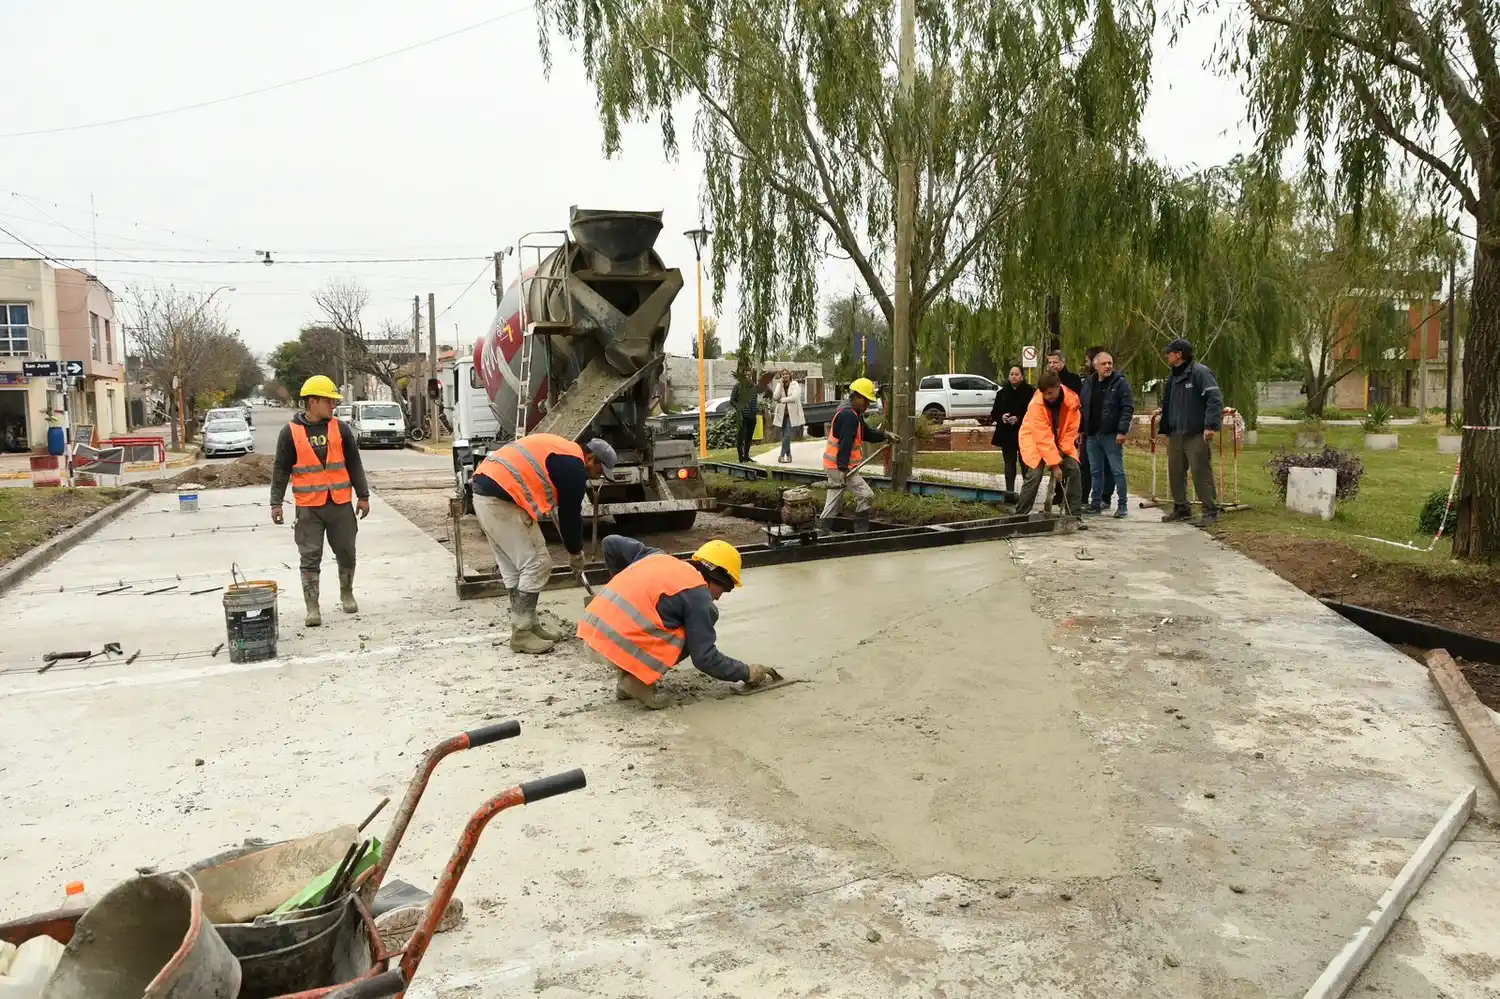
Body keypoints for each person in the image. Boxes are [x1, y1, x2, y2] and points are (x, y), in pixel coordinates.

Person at [580, 535, 775, 708]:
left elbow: (611, 543)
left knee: (665, 618)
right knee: (688, 633)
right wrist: (746, 672)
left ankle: (627, 681)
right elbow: (705, 658)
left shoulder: (658, 557)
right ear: (718, 577)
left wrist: (622, 584)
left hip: (592, 630)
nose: (718, 597)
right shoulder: (699, 598)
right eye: (724, 590)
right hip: (616, 642)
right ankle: (636, 680)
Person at [470, 432, 618, 654]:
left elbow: (557, 508)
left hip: (485, 491)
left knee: (515, 568)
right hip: (500, 497)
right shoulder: (574, 468)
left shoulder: (562, 451)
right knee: (538, 563)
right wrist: (576, 554)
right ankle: (521, 634)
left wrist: (573, 549)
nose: (597, 477)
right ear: (591, 459)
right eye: (599, 471)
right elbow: (570, 516)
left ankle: (528, 625)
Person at [270, 375, 371, 628]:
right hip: (308, 508)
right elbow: (281, 470)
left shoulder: (341, 428)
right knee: (309, 558)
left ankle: (346, 593)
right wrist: (276, 503)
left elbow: (354, 463)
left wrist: (363, 495)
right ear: (312, 402)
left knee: (347, 553)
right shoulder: (290, 433)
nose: (333, 405)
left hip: (339, 505)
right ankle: (312, 607)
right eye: (329, 400)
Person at [1158, 337, 1224, 527]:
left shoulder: (1200, 372)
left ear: (1179, 355)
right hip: (1176, 433)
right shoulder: (1173, 376)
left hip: (1195, 433)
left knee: (1200, 472)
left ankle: (1211, 510)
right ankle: (1182, 508)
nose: (1167, 356)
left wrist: (1210, 426)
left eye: (1169, 353)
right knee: (1175, 472)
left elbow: (1214, 399)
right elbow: (1171, 402)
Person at [819, 377, 898, 534]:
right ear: (857, 397)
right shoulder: (849, 416)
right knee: (866, 495)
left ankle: (821, 531)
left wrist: (885, 434)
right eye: (866, 401)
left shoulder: (853, 412)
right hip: (841, 467)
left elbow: (866, 433)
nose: (868, 404)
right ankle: (861, 532)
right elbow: (845, 444)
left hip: (834, 465)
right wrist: (842, 469)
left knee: (834, 501)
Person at [1014, 370, 1083, 517]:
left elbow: (1071, 431)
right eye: (1044, 393)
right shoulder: (1036, 405)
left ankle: (1075, 515)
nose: (1047, 397)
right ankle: (1020, 515)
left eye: (1050, 393)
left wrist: (1061, 453)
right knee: (1035, 473)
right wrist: (1055, 465)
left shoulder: (1072, 402)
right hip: (1033, 440)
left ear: (1059, 386)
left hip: (1061, 441)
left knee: (1074, 469)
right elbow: (1042, 437)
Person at [1079, 349, 1135, 517]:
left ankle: (1122, 505)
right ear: (1095, 365)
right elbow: (1083, 407)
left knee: (1117, 470)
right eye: (1104, 363)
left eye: (1110, 363)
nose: (1108, 366)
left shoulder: (1120, 383)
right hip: (1092, 434)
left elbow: (1127, 407)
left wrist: (1122, 431)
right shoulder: (1089, 383)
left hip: (1111, 434)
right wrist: (1081, 430)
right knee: (1095, 470)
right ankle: (1095, 503)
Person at [989, 365, 1035, 493]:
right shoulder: (1002, 393)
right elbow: (994, 413)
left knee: (1025, 463)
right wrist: (1001, 417)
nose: (1014, 377)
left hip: (1024, 433)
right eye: (1011, 374)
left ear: (1022, 376)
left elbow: (1034, 412)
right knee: (1009, 463)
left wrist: (1018, 418)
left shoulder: (1030, 392)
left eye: (1017, 374)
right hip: (1007, 433)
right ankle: (1010, 492)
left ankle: (1027, 493)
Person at [770, 369, 804, 463]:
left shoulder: (795, 384)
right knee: (785, 436)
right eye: (783, 374)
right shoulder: (779, 385)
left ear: (789, 375)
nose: (785, 376)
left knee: (787, 435)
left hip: (792, 414)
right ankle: (789, 456)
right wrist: (780, 385)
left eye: (786, 374)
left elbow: (795, 397)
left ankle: (781, 456)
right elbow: (775, 397)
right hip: (782, 414)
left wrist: (783, 400)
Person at [728, 366, 760, 462]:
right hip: (742, 416)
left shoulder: (753, 386)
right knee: (741, 437)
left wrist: (756, 409)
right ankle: (740, 457)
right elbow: (732, 400)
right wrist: (739, 409)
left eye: (748, 373)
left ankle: (746, 456)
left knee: (749, 438)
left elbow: (754, 399)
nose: (747, 375)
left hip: (752, 415)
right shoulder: (737, 385)